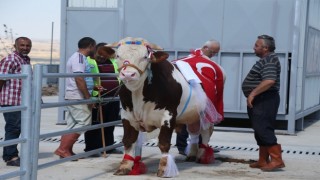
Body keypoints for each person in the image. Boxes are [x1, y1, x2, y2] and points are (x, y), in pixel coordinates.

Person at [242, 35, 285, 171]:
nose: (254, 48)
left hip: (265, 99)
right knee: (259, 129)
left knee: (263, 128)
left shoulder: (270, 60)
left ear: (265, 48)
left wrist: (253, 94)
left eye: (256, 45)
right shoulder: (266, 59)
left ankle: (277, 160)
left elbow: (269, 80)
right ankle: (262, 160)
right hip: (261, 99)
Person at [176, 39, 222, 155]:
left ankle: (199, 144)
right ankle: (183, 146)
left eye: (215, 53)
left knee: (201, 117)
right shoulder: (187, 61)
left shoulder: (205, 63)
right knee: (184, 117)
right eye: (212, 52)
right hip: (187, 95)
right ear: (205, 48)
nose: (213, 55)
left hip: (199, 95)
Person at [54, 37, 97, 160]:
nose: (95, 49)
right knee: (84, 122)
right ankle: (62, 149)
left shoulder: (78, 57)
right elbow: (79, 78)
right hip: (78, 96)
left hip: (75, 95)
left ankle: (66, 150)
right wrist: (88, 98)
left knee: (73, 124)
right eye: (94, 47)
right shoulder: (79, 59)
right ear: (90, 46)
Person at [84, 43, 122, 155]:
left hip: (113, 97)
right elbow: (85, 79)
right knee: (95, 124)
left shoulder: (114, 62)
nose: (101, 56)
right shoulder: (89, 61)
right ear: (95, 51)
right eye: (99, 53)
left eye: (105, 54)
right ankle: (92, 149)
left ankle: (109, 146)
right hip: (97, 97)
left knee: (110, 123)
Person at [0, 37, 32, 166]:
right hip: (11, 100)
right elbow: (1, 79)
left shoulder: (25, 59)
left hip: (22, 101)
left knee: (18, 128)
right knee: (13, 128)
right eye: (22, 45)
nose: (25, 48)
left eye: (28, 45)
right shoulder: (10, 59)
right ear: (15, 46)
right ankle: (11, 157)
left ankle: (10, 153)